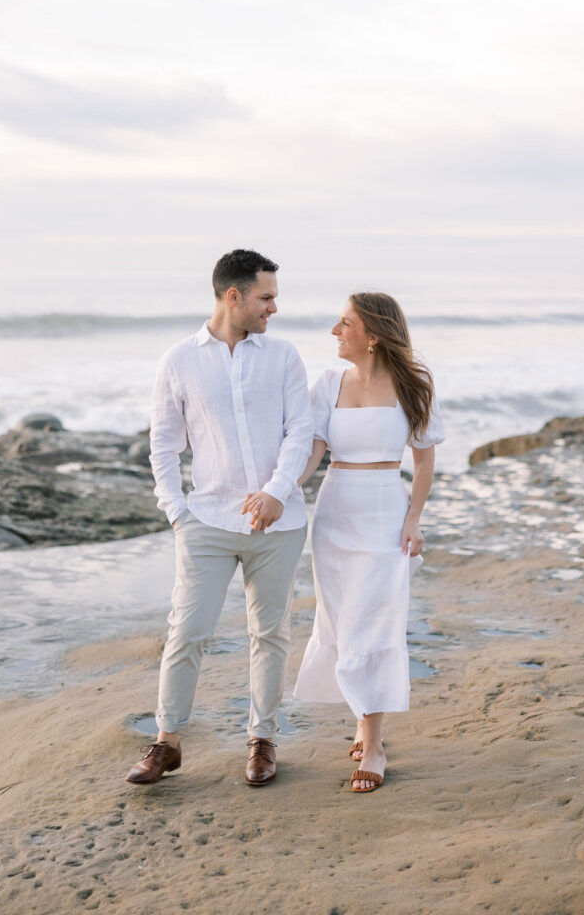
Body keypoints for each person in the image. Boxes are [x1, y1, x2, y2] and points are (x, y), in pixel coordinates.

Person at [125, 249, 314, 789]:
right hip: (206, 520)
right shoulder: (178, 360)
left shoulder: (283, 357)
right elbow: (162, 445)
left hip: (279, 525)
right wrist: (176, 511)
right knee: (186, 631)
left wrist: (278, 492)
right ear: (234, 297)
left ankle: (261, 740)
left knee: (269, 634)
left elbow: (300, 431)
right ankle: (168, 742)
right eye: (266, 297)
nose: (274, 307)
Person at [250, 291, 444, 794]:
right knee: (341, 618)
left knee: (376, 621)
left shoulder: (414, 386)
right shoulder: (328, 384)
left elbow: (423, 460)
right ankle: (363, 716)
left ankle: (373, 740)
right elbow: (312, 453)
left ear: (373, 335)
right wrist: (278, 493)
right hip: (335, 510)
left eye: (344, 323)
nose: (335, 332)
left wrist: (414, 520)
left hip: (385, 509)